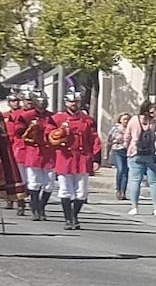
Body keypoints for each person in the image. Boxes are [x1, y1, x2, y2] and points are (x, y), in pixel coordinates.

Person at [51, 91, 101, 231]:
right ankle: (68, 219)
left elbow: (94, 139)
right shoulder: (57, 119)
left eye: (76, 102)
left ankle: (74, 215)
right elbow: (48, 135)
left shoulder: (88, 120)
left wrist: (96, 158)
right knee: (65, 190)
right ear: (66, 102)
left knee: (81, 192)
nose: (73, 104)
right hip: (65, 158)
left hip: (82, 158)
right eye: (71, 102)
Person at [15, 91, 56, 222]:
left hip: (49, 153)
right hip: (33, 152)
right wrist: (28, 131)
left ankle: (42, 206)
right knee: (34, 182)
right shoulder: (26, 116)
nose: (42, 103)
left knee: (49, 183)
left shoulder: (53, 116)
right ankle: (36, 209)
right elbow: (18, 132)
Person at [127, 111, 156, 215]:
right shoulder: (154, 122)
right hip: (151, 153)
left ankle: (134, 207)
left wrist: (128, 145)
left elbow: (127, 135)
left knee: (135, 181)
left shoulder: (134, 120)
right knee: (154, 182)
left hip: (136, 152)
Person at [1, 91, 26, 214]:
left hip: (18, 147)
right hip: (6, 146)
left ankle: (21, 201)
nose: (14, 103)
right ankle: (9, 200)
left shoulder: (23, 114)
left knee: (17, 175)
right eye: (12, 101)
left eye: (16, 101)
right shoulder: (4, 115)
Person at [108, 113, 131, 200]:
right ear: (120, 120)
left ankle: (123, 191)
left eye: (128, 119)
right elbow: (109, 140)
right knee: (120, 169)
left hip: (127, 151)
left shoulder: (130, 128)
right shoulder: (116, 129)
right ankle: (118, 189)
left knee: (126, 171)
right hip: (117, 150)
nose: (126, 121)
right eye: (124, 119)